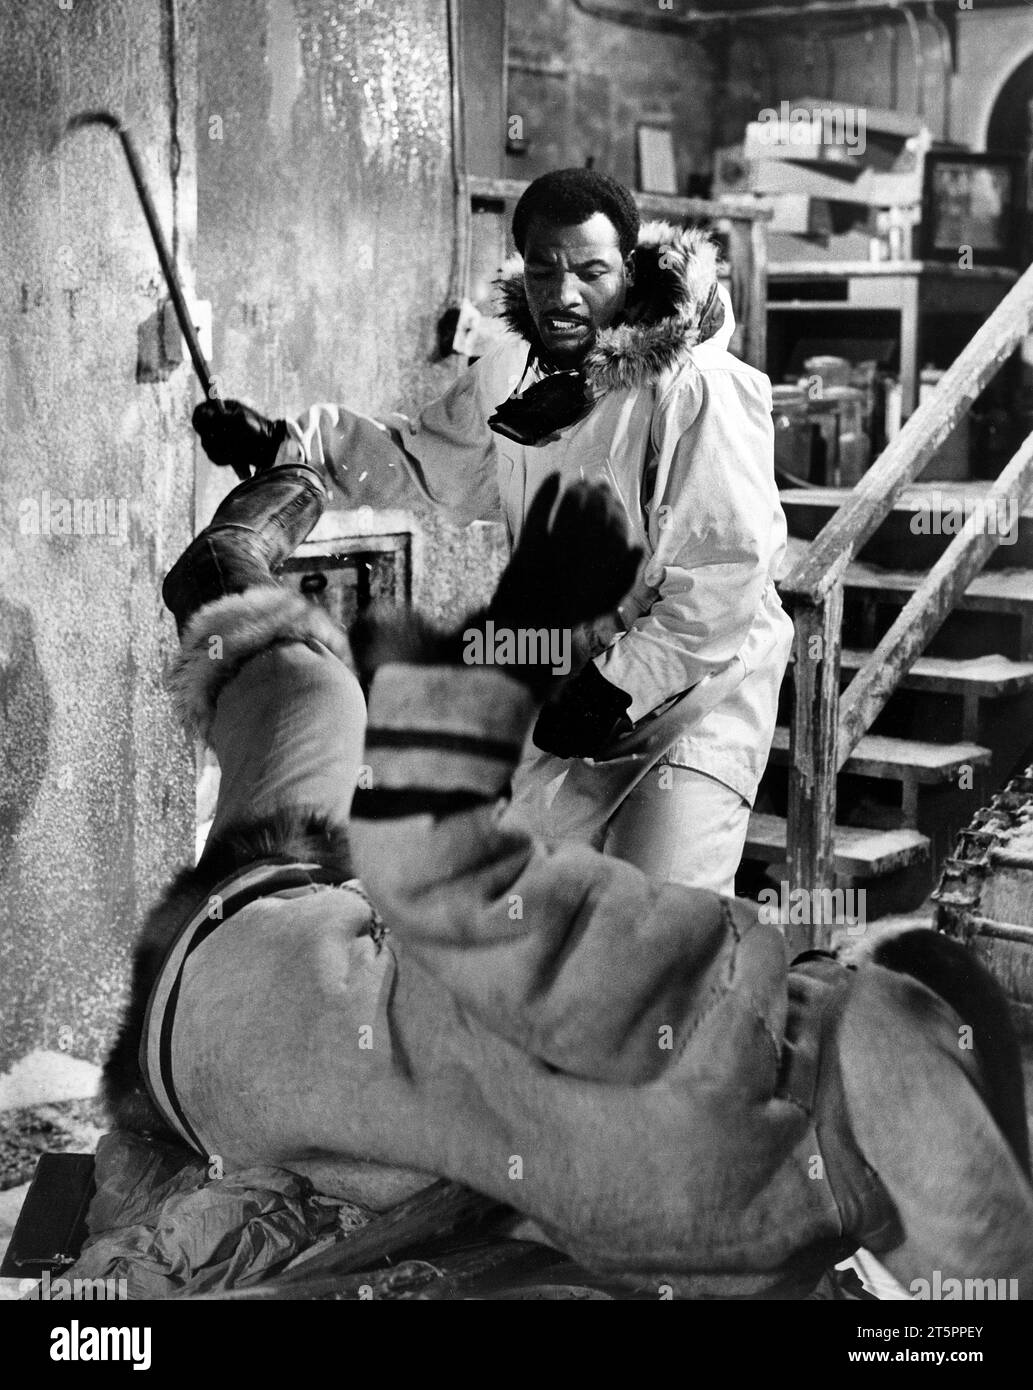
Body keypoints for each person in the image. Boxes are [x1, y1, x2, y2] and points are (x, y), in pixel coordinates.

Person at [102, 457, 1033, 1299]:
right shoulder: (776, 1235)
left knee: (317, 694)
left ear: (851, 991)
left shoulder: (699, 1004)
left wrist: (525, 622)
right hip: (261, 1105)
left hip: (241, 982)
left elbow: (433, 861)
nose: (821, 961)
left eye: (836, 966)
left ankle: (226, 570)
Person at [191, 168, 793, 895]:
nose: (563, 296)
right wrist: (287, 443)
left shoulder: (696, 387)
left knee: (656, 924)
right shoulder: (513, 369)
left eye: (591, 272)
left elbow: (725, 576)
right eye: (544, 271)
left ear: (628, 270)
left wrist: (618, 687)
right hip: (575, 680)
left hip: (695, 692)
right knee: (531, 911)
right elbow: (423, 459)